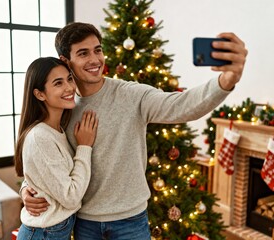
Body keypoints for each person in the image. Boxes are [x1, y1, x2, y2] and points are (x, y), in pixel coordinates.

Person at [21, 22, 248, 240]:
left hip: (130, 221)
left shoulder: (131, 95)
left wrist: (226, 81)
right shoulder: (65, 105)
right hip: (84, 222)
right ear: (65, 60)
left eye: (97, 50)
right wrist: (26, 188)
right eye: (83, 53)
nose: (94, 60)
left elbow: (181, 105)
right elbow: (49, 156)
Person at [14, 57, 98, 240]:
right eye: (58, 83)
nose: (69, 88)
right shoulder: (40, 137)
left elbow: (44, 176)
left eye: (69, 79)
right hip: (44, 234)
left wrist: (25, 188)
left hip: (52, 231)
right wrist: (84, 147)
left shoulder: (58, 129)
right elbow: (70, 196)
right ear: (40, 94)